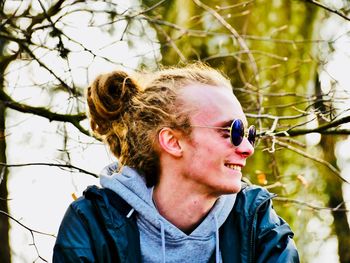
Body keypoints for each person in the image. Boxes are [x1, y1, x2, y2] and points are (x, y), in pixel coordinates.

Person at [53, 63, 299, 262]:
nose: (247, 148)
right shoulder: (93, 224)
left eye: (249, 135)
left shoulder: (256, 221)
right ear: (172, 141)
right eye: (231, 132)